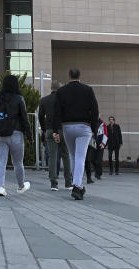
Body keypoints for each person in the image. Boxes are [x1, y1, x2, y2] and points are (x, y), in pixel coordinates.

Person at [51, 68, 99, 200]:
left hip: (67, 127)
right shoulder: (88, 90)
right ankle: (77, 186)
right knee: (80, 157)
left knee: (73, 156)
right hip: (84, 127)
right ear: (79, 76)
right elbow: (95, 110)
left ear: (69, 76)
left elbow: (57, 111)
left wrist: (55, 130)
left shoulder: (61, 91)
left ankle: (77, 184)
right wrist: (94, 130)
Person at [0, 74, 31, 197]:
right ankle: (20, 186)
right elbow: (25, 118)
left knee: (1, 161)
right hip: (16, 133)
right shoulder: (19, 98)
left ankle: (1, 187)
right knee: (18, 163)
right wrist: (30, 136)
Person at [38, 81, 68, 190]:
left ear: (51, 88)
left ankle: (53, 183)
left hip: (50, 130)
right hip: (63, 129)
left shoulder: (44, 100)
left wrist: (44, 129)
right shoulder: (64, 100)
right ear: (60, 88)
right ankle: (68, 182)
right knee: (66, 155)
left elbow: (41, 116)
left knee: (52, 156)